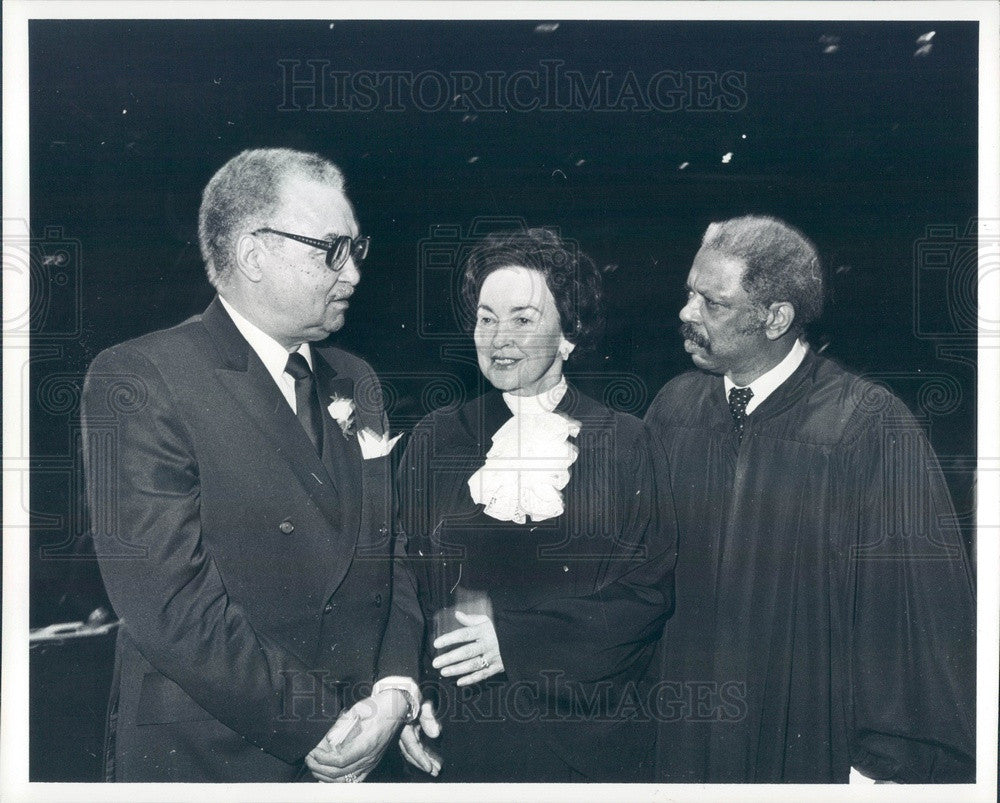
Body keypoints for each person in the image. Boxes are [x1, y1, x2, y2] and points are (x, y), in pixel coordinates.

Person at [80, 148, 437, 782]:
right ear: (252, 254)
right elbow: (169, 605)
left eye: (358, 249)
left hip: (364, 744)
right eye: (332, 249)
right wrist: (315, 726)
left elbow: (391, 555)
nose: (353, 273)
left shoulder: (359, 379)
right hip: (217, 760)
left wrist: (396, 687)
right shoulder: (141, 377)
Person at [645, 215, 975, 783]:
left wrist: (885, 765)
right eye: (689, 293)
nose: (687, 313)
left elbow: (911, 615)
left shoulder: (866, 426)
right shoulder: (675, 409)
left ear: (775, 318)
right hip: (682, 736)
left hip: (807, 742)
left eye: (712, 302)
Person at [393, 228, 677, 781]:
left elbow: (646, 596)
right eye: (486, 317)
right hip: (458, 737)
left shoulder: (624, 442)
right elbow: (403, 582)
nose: (499, 337)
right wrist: (408, 692)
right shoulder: (434, 439)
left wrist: (515, 640)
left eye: (523, 319)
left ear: (569, 334)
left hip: (582, 744)